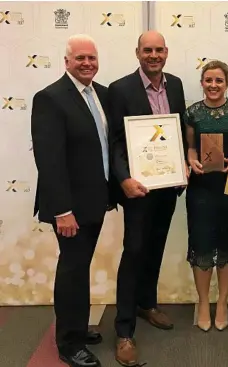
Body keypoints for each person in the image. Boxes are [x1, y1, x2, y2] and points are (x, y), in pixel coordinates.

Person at [31, 34, 116, 367]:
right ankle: (68, 342)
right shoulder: (50, 98)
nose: (87, 63)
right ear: (66, 61)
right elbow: (49, 160)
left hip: (96, 201)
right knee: (72, 270)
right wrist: (62, 211)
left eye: (92, 58)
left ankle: (78, 327)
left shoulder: (102, 95)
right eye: (80, 58)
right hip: (70, 208)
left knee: (80, 269)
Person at [108, 30, 187, 366]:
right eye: (147, 50)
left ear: (166, 52)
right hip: (138, 188)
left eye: (159, 50)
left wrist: (183, 161)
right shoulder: (120, 89)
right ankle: (124, 330)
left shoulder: (177, 85)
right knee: (135, 251)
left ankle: (147, 303)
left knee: (155, 246)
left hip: (168, 185)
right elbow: (112, 141)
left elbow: (179, 130)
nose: (153, 55)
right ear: (137, 53)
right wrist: (123, 178)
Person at [185, 60, 228, 332]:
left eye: (219, 81)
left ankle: (222, 302)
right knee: (200, 245)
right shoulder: (191, 113)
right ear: (202, 82)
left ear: (227, 83)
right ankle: (202, 302)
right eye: (208, 80)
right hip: (200, 189)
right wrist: (192, 161)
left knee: (226, 244)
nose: (213, 85)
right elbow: (189, 148)